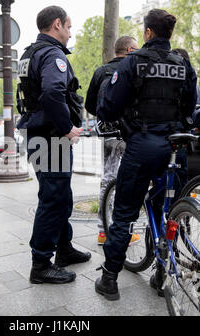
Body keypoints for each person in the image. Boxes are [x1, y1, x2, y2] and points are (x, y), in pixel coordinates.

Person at [95, 9, 197, 301]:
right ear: (169, 34)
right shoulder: (183, 64)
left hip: (142, 145)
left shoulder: (133, 62)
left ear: (148, 33)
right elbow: (189, 108)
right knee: (170, 210)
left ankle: (109, 279)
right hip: (174, 147)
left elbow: (108, 108)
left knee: (125, 211)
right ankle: (163, 270)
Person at [17, 6, 91, 284]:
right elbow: (52, 92)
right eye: (69, 27)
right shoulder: (52, 54)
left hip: (38, 135)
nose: (70, 34)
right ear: (57, 24)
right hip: (51, 138)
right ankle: (41, 263)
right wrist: (67, 128)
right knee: (53, 198)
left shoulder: (30, 53)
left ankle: (64, 248)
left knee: (59, 195)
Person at [85, 36, 140, 245]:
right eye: (136, 49)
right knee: (129, 181)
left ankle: (102, 231)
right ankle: (122, 231)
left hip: (108, 132)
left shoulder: (100, 71)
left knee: (108, 179)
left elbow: (90, 104)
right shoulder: (133, 68)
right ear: (128, 50)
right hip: (129, 132)